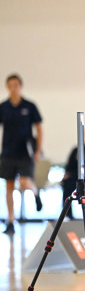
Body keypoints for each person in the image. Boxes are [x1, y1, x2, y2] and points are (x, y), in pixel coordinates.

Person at [0, 74, 43, 235]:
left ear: (20, 86)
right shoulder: (3, 107)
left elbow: (39, 128)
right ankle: (11, 220)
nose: (13, 88)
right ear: (7, 87)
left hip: (25, 153)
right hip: (7, 153)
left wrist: (39, 149)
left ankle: (36, 193)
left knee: (24, 182)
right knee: (9, 187)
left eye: (16, 85)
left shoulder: (29, 106)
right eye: (10, 85)